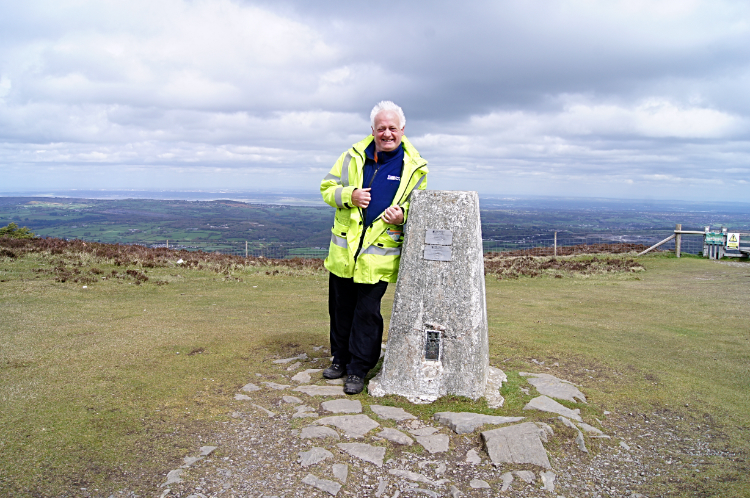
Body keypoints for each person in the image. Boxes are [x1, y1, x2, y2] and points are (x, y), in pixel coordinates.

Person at [319, 101, 429, 394]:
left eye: (393, 128)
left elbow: (420, 206)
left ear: (403, 130)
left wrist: (403, 215)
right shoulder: (351, 157)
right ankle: (339, 360)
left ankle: (358, 369)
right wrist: (349, 195)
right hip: (344, 252)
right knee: (340, 309)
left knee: (366, 313)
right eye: (381, 128)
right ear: (373, 130)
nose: (387, 133)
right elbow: (327, 189)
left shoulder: (414, 167)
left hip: (377, 256)